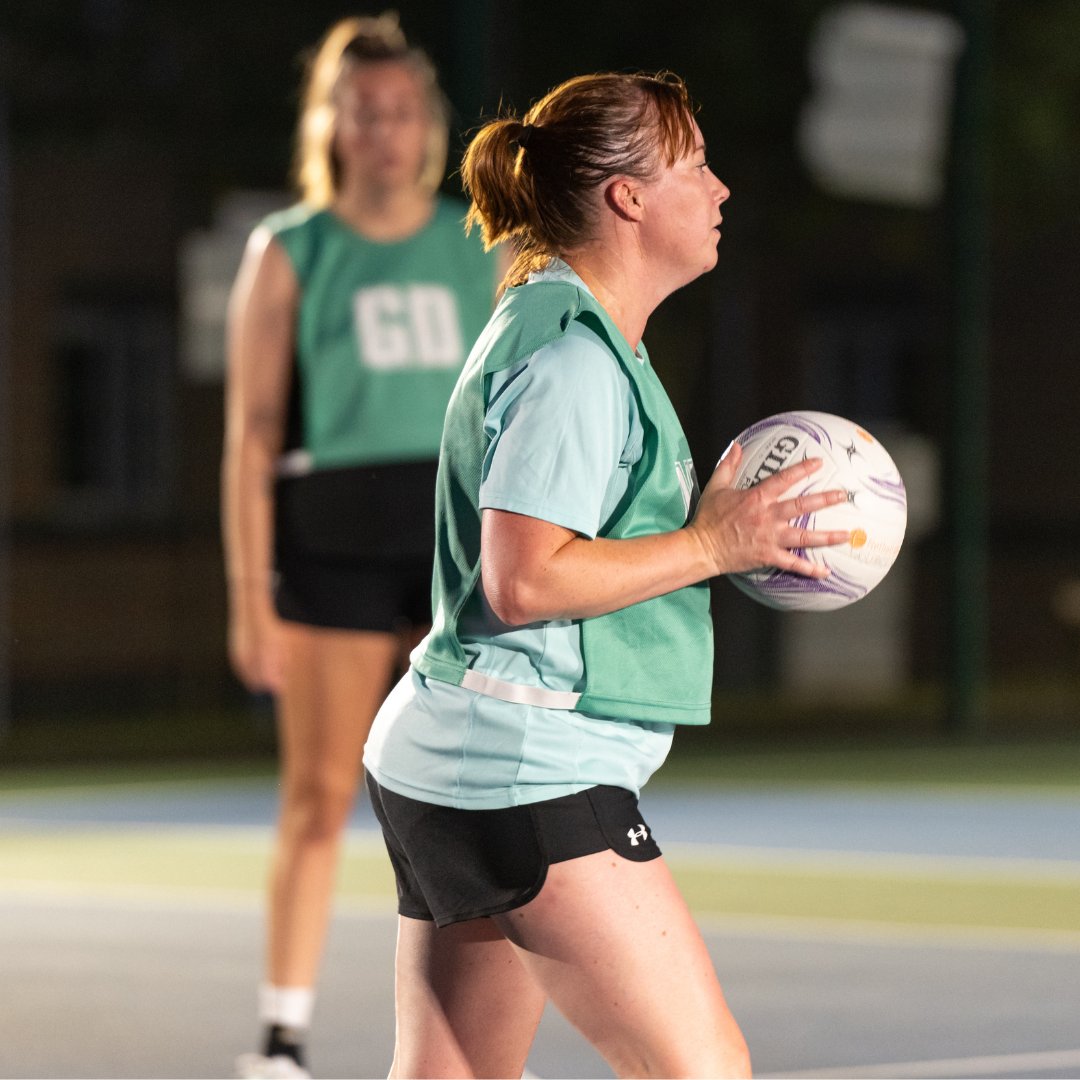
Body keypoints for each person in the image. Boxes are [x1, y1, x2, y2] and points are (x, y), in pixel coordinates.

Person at [362, 70, 852, 1079]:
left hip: (457, 747)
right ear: (628, 196)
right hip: (522, 764)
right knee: (702, 1069)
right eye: (696, 165)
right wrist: (715, 544)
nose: (720, 188)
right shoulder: (573, 361)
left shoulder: (570, 329)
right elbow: (524, 582)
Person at [221, 13, 498, 1079]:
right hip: (330, 543)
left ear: (426, 123)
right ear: (330, 125)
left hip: (451, 548)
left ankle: (476, 1042)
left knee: (479, 796)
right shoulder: (290, 250)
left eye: (401, 110)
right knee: (318, 796)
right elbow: (250, 436)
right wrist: (250, 599)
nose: (383, 130)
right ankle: (280, 1043)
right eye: (362, 111)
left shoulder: (478, 242)